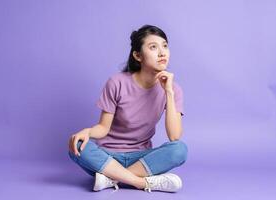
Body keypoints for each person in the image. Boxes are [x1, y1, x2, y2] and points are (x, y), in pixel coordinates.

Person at [68, 24, 188, 193]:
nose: (162, 52)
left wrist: (168, 92)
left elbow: (174, 136)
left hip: (142, 159)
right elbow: (103, 128)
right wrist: (87, 132)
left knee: (179, 150)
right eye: (153, 47)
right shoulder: (117, 82)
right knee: (77, 144)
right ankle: (141, 183)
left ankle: (111, 179)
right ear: (138, 55)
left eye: (165, 46)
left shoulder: (174, 90)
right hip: (108, 157)